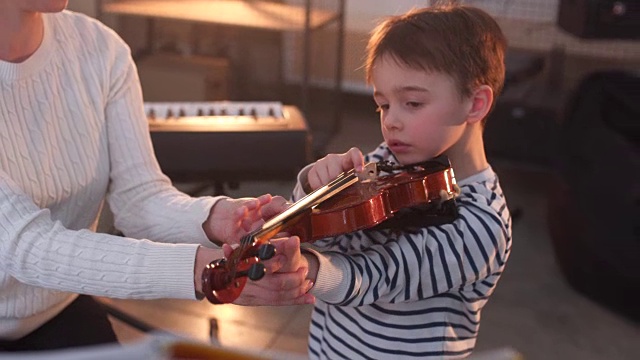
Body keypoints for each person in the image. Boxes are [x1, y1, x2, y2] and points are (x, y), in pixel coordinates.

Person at [0, 0, 313, 352]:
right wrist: (205, 271)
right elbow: (22, 246)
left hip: (57, 308)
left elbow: (139, 199)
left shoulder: (100, 49)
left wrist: (219, 218)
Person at [287, 4, 513, 359]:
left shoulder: (483, 223)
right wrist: (315, 189)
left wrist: (307, 271)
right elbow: (332, 234)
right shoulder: (387, 162)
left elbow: (380, 274)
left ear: (475, 103)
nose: (391, 121)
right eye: (383, 105)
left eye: (411, 102)